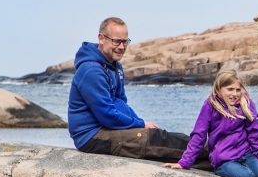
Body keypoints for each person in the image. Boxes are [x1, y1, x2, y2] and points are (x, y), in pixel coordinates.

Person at [68, 16, 191, 163]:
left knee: (163, 139)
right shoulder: (91, 71)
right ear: (101, 38)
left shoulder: (115, 66)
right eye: (116, 41)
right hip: (92, 136)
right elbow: (106, 115)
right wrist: (141, 125)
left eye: (125, 41)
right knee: (156, 141)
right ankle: (212, 152)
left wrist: (139, 123)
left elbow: (121, 104)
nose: (121, 47)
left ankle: (217, 155)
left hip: (109, 129)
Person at [163, 70, 258, 177]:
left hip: (247, 155)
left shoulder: (246, 104)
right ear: (218, 89)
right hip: (225, 159)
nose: (235, 94)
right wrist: (184, 163)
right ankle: (222, 170)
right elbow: (199, 135)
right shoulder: (210, 105)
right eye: (230, 89)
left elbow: (256, 136)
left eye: (238, 89)